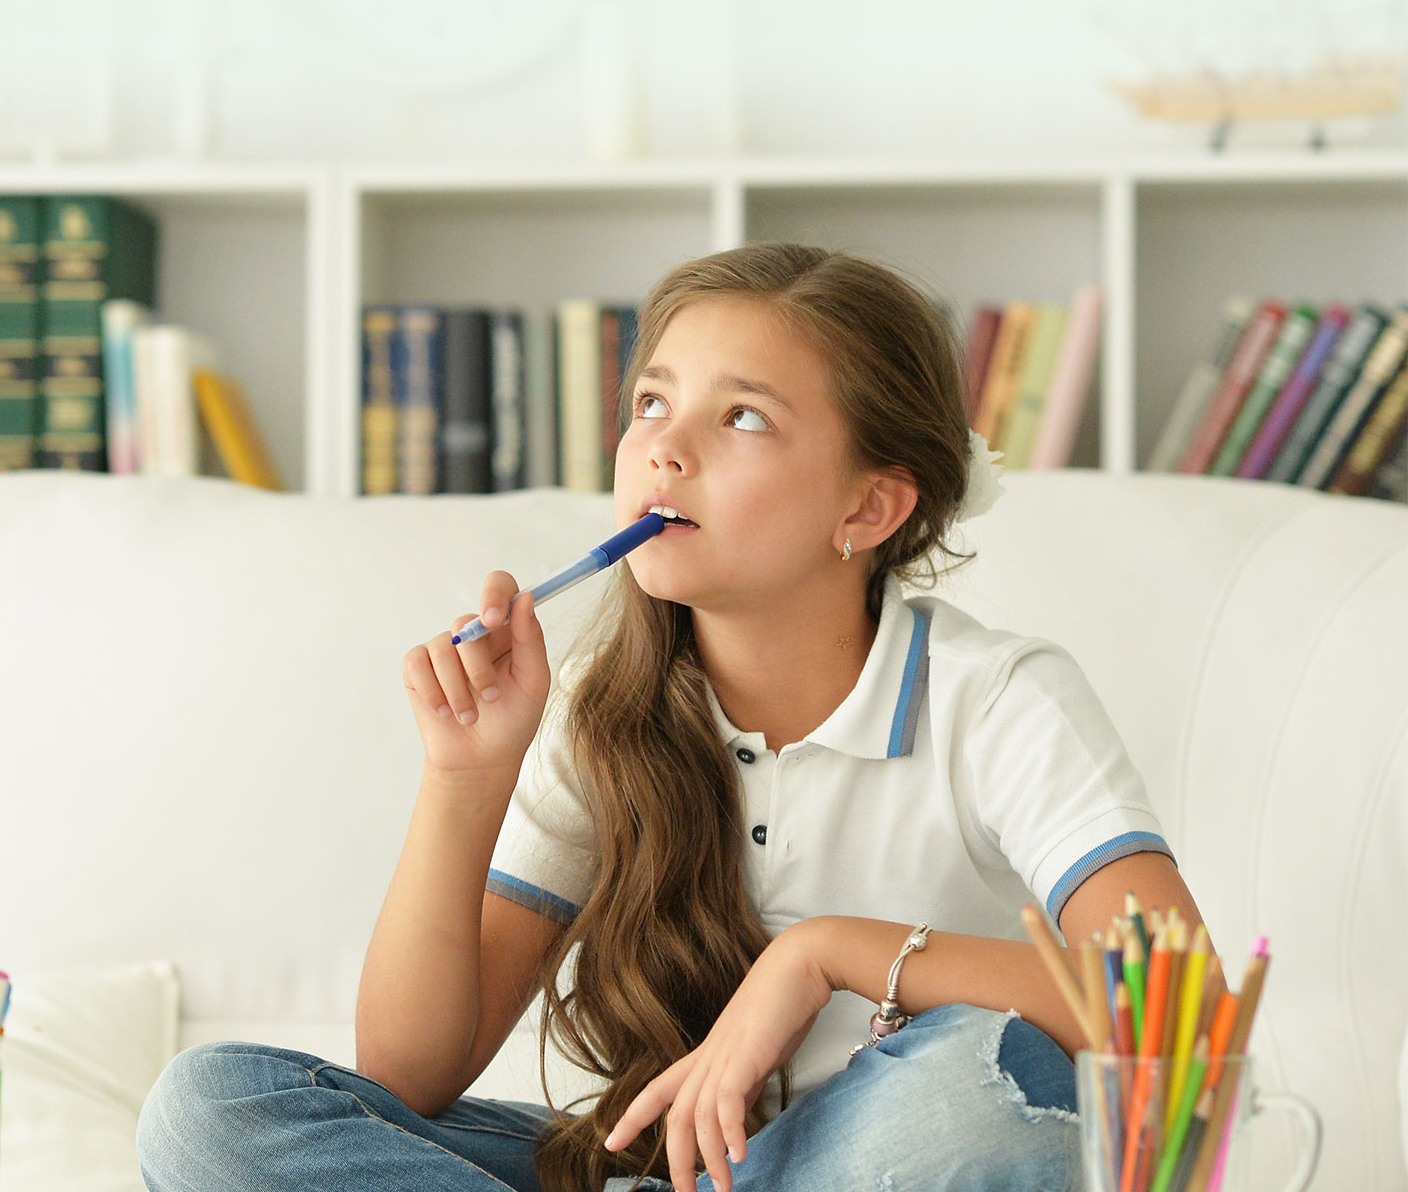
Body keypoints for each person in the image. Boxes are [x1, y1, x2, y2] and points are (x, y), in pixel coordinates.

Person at [135, 242, 1207, 1192]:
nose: (664, 447)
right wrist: (464, 778)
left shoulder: (999, 697)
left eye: (741, 415)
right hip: (656, 1165)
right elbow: (409, 1073)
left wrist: (822, 953)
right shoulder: (601, 716)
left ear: (869, 506)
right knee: (212, 1108)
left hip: (891, 1150)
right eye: (651, 402)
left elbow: (1175, 1005)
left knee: (995, 1087)